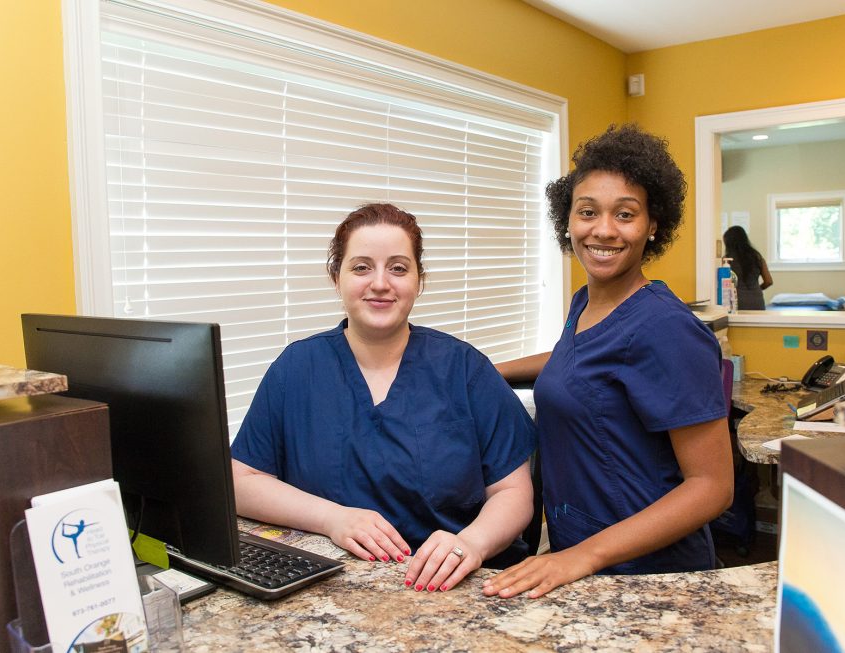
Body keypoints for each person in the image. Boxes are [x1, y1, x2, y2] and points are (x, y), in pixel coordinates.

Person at [231, 203, 537, 593]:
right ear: (335, 277)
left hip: (454, 585)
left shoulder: (464, 368)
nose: (380, 283)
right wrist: (332, 518)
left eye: (398, 267)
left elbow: (513, 492)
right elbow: (242, 480)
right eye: (361, 267)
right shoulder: (297, 368)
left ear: (419, 280)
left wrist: (471, 544)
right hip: (332, 585)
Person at [483, 124, 734, 600]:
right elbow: (575, 361)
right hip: (582, 555)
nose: (603, 230)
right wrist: (491, 371)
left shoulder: (667, 327)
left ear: (653, 224)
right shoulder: (587, 302)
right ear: (568, 221)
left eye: (625, 214)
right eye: (587, 212)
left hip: (646, 575)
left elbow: (712, 486)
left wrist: (584, 555)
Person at [722, 225, 772, 310]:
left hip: (737, 302)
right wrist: (757, 289)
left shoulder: (727, 260)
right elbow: (768, 281)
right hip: (757, 301)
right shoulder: (757, 257)